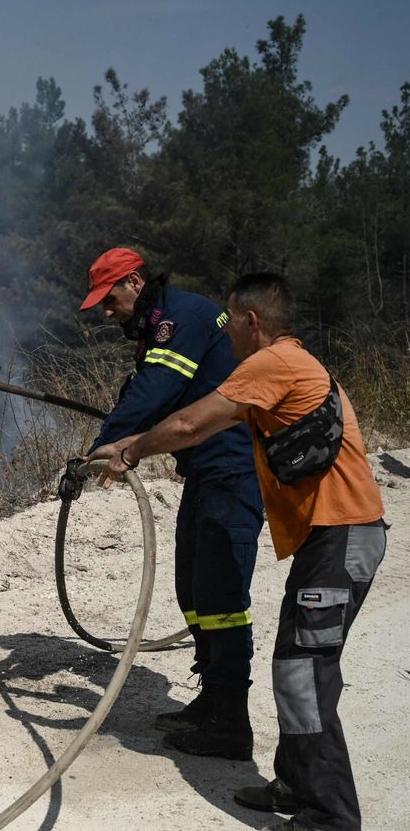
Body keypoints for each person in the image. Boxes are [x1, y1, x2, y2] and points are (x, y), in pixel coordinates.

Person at [91, 272, 386, 831]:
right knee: (296, 665)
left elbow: (186, 422)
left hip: (343, 535)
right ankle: (295, 784)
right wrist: (135, 442)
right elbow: (199, 430)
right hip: (333, 536)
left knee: (304, 672)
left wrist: (130, 450)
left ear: (252, 323)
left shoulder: (271, 363)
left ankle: (330, 818)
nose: (224, 336)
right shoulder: (291, 363)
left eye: (232, 324)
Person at [80, 247, 264, 759]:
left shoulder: (180, 318)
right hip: (207, 470)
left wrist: (107, 446)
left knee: (222, 600)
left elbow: (158, 389)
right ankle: (211, 699)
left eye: (110, 298)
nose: (106, 311)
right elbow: (148, 389)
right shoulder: (168, 317)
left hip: (233, 468)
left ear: (135, 283)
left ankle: (231, 723)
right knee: (194, 591)